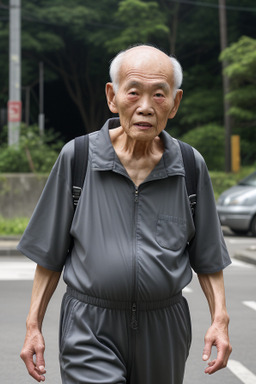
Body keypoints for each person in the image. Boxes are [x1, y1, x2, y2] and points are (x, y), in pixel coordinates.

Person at [19, 45, 232, 384]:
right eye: (133, 92)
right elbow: (49, 254)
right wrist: (33, 326)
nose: (145, 106)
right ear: (112, 96)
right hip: (90, 323)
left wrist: (220, 320)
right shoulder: (78, 158)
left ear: (175, 103)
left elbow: (208, 258)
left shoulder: (190, 167)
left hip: (165, 325)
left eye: (159, 95)